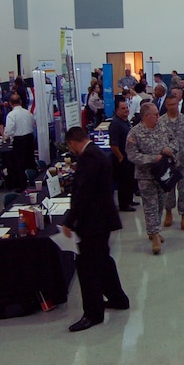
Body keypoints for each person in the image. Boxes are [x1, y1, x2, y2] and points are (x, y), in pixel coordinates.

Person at [62, 127, 129, 332]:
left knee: (87, 267)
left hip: (93, 222)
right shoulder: (96, 154)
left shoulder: (89, 158)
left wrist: (69, 221)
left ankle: (93, 313)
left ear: (72, 143)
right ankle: (118, 298)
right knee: (103, 260)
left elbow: (83, 193)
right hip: (102, 219)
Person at [126, 101, 179, 254]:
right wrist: (151, 159)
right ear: (145, 116)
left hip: (163, 174)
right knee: (150, 206)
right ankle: (154, 236)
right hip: (146, 176)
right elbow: (132, 155)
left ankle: (155, 229)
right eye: (155, 114)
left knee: (161, 203)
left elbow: (174, 141)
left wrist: (170, 149)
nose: (158, 116)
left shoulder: (163, 127)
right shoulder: (135, 133)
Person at [159, 88, 184, 233]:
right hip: (168, 163)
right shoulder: (160, 122)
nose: (173, 107)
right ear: (166, 106)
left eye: (175, 104)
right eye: (170, 105)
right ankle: (168, 212)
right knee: (168, 191)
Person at [109, 97, 139, 212]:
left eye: (126, 108)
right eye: (123, 108)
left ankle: (129, 199)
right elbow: (113, 144)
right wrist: (121, 157)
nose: (126, 110)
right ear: (117, 110)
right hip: (121, 159)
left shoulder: (126, 121)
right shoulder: (115, 124)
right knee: (123, 182)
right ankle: (123, 204)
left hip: (130, 157)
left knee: (130, 180)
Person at [4, 94, 36, 192]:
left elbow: (8, 130)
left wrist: (6, 136)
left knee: (20, 164)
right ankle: (34, 182)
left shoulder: (11, 115)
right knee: (30, 161)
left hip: (19, 141)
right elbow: (33, 125)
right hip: (30, 139)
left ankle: (22, 187)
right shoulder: (28, 113)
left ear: (10, 103)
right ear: (21, 102)